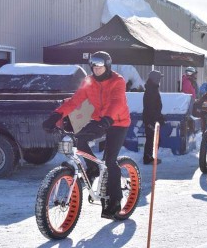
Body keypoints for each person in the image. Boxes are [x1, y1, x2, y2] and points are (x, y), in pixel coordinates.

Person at [42, 51, 130, 219]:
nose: (96, 70)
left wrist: (108, 119)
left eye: (100, 66)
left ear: (107, 66)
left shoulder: (117, 81)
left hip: (117, 122)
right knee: (79, 139)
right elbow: (75, 101)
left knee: (110, 161)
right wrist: (56, 115)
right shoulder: (89, 82)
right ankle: (93, 167)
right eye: (94, 67)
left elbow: (117, 102)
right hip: (100, 120)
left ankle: (116, 200)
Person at [142, 70, 165, 165]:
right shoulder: (152, 90)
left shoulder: (152, 88)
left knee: (153, 139)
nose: (160, 80)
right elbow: (151, 108)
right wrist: (154, 120)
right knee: (152, 139)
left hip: (151, 119)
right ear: (155, 79)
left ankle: (150, 157)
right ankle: (148, 159)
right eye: (159, 78)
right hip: (150, 120)